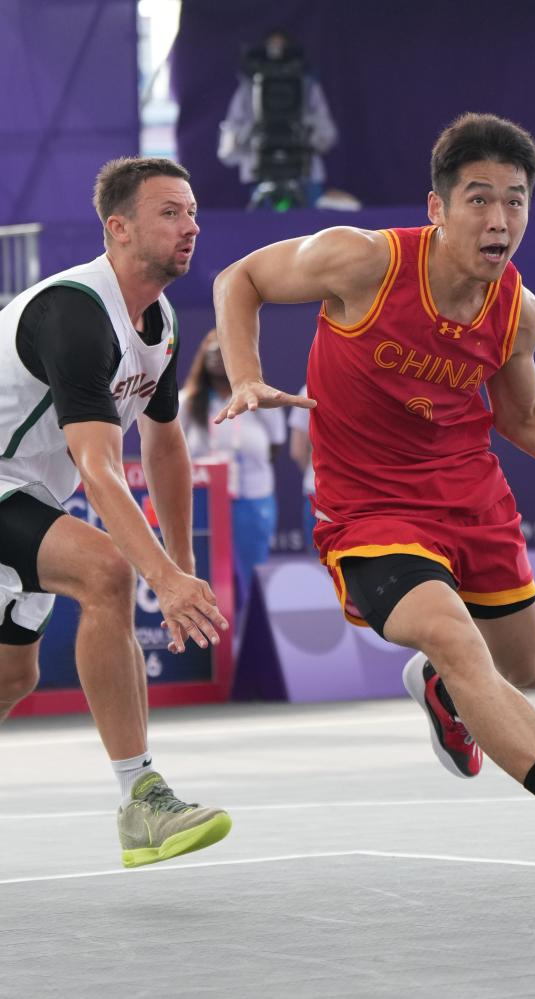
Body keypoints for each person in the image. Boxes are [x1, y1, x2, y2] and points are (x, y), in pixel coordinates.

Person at [212, 112, 535, 886]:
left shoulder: (517, 311)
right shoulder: (362, 261)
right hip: (370, 513)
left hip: (469, 496)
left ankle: (438, 688)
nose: (498, 219)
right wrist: (246, 373)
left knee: (525, 666)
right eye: (478, 198)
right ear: (437, 207)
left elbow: (523, 416)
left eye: (514, 200)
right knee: (457, 639)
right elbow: (239, 279)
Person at [0, 157, 231, 867]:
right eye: (170, 212)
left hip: (27, 495)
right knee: (106, 570)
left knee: (12, 677)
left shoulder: (161, 325)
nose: (190, 226)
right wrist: (158, 576)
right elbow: (100, 468)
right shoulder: (75, 313)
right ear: (119, 227)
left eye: (192, 212)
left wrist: (182, 566)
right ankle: (141, 800)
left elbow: (165, 446)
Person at [180, 329, 286, 600]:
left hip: (251, 497)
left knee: (251, 571)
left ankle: (249, 622)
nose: (216, 357)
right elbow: (174, 451)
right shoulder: (188, 401)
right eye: (211, 351)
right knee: (205, 571)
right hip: (202, 500)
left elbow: (275, 445)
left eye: (222, 351)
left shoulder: (262, 399)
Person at [217, 27, 338, 208]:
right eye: (272, 46)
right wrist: (253, 129)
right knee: (264, 224)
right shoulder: (248, 90)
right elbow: (230, 138)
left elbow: (327, 132)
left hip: (303, 172)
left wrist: (304, 128)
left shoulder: (307, 88)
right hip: (261, 169)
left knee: (308, 223)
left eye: (281, 47)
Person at [288, 383, 316, 551]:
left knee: (321, 563)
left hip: (319, 490)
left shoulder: (309, 389)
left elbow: (297, 450)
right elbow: (297, 451)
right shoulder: (308, 391)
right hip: (364, 493)